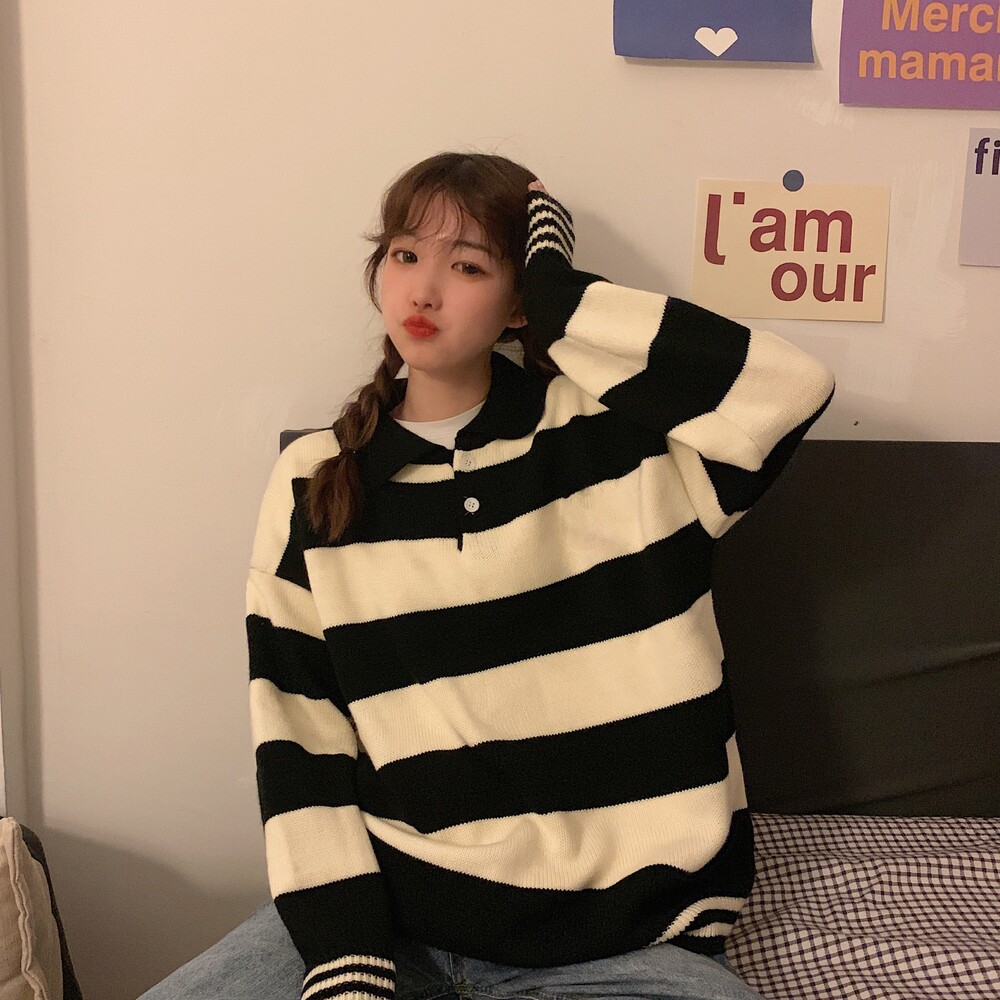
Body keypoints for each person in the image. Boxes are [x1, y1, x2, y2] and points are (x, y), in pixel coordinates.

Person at [142, 152, 834, 1000]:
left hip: (622, 942)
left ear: (517, 302)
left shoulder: (625, 440)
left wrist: (560, 295)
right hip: (394, 922)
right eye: (405, 255)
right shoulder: (315, 479)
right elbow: (298, 734)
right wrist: (345, 954)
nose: (424, 290)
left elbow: (790, 390)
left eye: (468, 266)